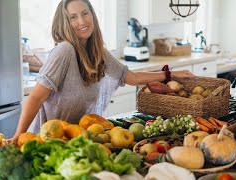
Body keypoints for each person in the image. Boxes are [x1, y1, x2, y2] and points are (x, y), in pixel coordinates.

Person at [11, 0, 194, 142]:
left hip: (78, 139)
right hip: (50, 141)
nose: (82, 21)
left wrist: (170, 74)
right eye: (73, 17)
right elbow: (36, 97)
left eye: (85, 13)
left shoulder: (97, 51)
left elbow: (131, 77)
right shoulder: (65, 50)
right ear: (65, 22)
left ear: (92, 15)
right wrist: (18, 137)